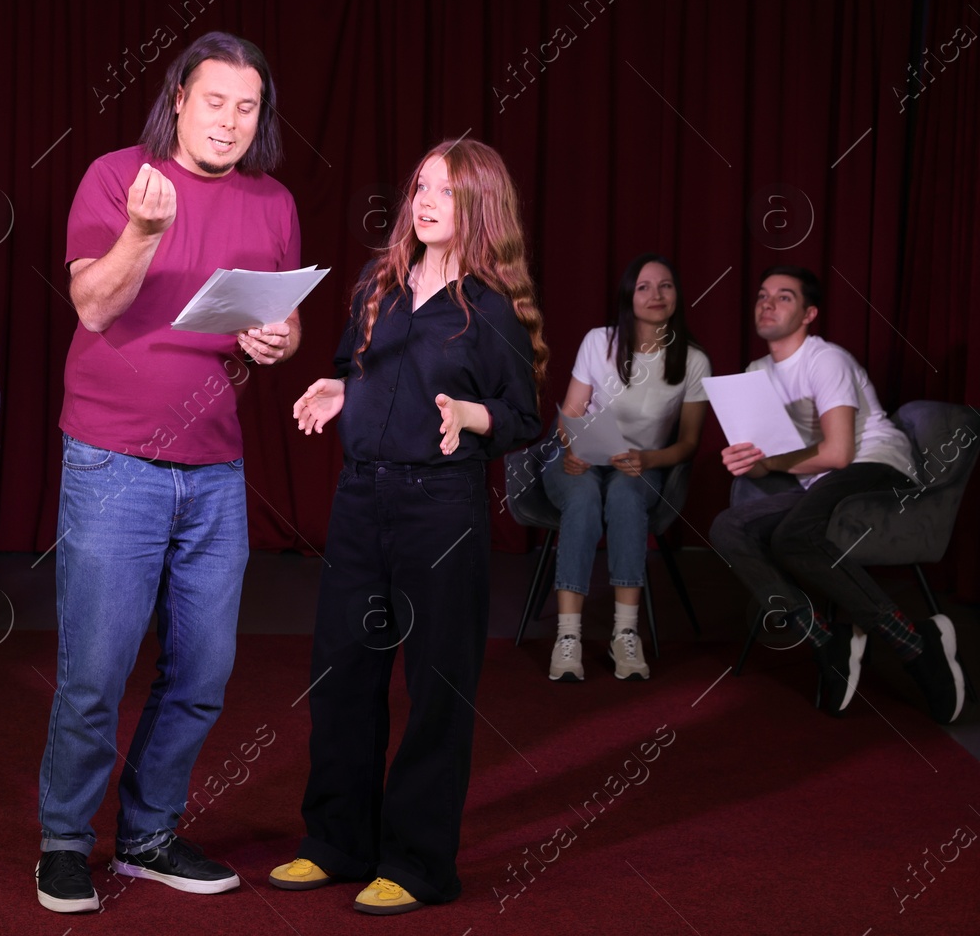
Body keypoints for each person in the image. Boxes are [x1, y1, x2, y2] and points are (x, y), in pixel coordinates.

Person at [35, 31, 302, 914]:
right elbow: (94, 304)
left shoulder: (273, 201)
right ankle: (67, 841)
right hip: (113, 462)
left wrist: (278, 339)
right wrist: (146, 233)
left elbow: (277, 323)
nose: (229, 121)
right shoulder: (118, 178)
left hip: (216, 468)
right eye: (214, 100)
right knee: (97, 669)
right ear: (179, 100)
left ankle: (147, 834)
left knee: (203, 669)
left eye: (247, 106)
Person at [272, 138, 544, 915]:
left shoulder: (489, 308)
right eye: (421, 185)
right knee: (344, 675)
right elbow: (352, 370)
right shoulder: (377, 283)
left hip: (441, 510)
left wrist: (469, 413)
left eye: (447, 191)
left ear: (480, 206)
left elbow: (524, 416)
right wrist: (334, 390)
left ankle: (420, 862)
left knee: (437, 686)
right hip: (361, 501)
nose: (425, 202)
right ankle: (335, 843)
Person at [709, 266, 965, 722]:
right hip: (818, 483)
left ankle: (913, 642)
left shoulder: (825, 360)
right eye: (763, 295)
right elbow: (771, 453)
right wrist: (748, 460)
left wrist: (769, 464)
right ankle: (826, 640)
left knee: (792, 537)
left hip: (876, 468)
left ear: (809, 314)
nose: (768, 303)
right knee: (728, 527)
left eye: (784, 297)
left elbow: (840, 452)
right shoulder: (754, 372)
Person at [541, 254, 710, 682]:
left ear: (677, 295)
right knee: (581, 498)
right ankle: (568, 638)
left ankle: (625, 633)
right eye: (644, 287)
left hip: (640, 465)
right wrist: (572, 446)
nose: (656, 295)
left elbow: (688, 443)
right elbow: (570, 413)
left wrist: (649, 459)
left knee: (625, 496)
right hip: (581, 458)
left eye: (665, 286)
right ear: (628, 297)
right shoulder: (600, 341)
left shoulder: (693, 360)